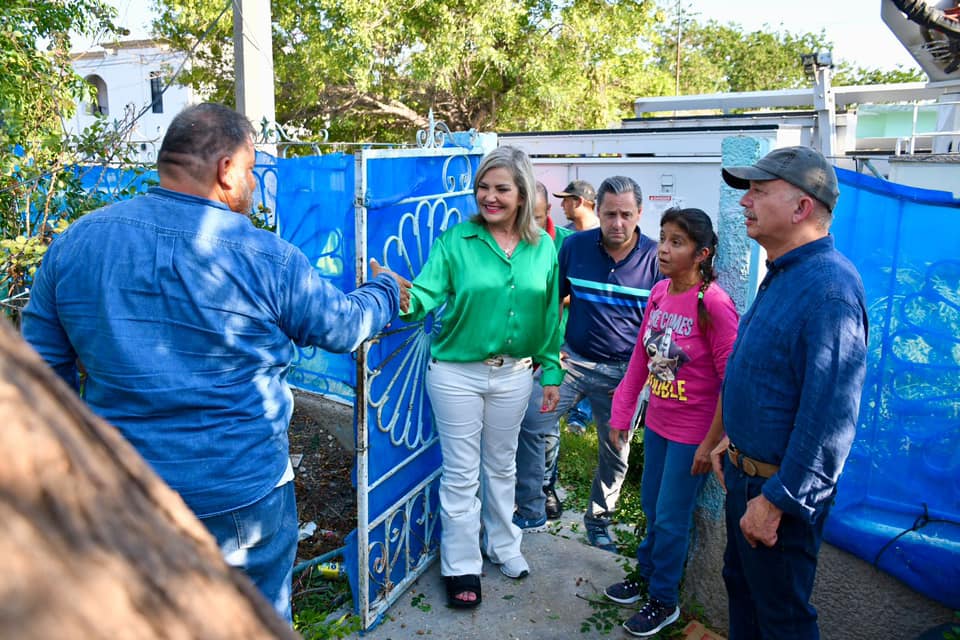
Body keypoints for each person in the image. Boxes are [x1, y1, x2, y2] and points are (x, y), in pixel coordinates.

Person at [21, 102, 410, 624]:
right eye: (251, 169)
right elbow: (341, 327)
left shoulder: (75, 244)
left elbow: (42, 386)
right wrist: (386, 289)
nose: (253, 185)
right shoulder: (267, 258)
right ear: (226, 168)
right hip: (241, 493)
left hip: (124, 493)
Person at [712, 146, 868, 639]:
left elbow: (829, 421)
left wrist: (779, 501)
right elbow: (768, 377)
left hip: (777, 494)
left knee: (782, 620)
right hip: (746, 477)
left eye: (758, 192)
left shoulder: (830, 291)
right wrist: (732, 440)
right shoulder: (784, 272)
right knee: (744, 592)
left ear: (802, 208)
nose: (744, 203)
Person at [400, 146, 563, 609]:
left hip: (514, 375)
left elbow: (549, 313)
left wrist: (550, 370)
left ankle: (503, 545)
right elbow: (427, 293)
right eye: (483, 187)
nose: (489, 197)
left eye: (501, 189)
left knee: (502, 466)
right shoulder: (458, 241)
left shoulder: (543, 246)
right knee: (460, 473)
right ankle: (461, 564)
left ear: (522, 193)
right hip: (456, 374)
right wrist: (403, 295)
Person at [603, 207, 739, 637]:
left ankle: (664, 599)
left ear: (701, 254)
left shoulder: (714, 304)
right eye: (662, 238)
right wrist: (621, 415)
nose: (663, 248)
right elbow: (640, 362)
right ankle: (645, 576)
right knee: (650, 508)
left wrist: (711, 442)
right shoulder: (660, 293)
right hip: (659, 424)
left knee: (670, 517)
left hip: (692, 435)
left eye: (676, 242)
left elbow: (730, 380)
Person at [513, 175, 660, 546]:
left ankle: (598, 521)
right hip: (572, 363)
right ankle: (530, 509)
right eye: (610, 214)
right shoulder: (575, 247)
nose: (617, 223)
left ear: (639, 213)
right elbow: (551, 302)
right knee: (530, 422)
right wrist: (547, 353)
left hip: (624, 374)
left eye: (626, 214)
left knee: (615, 449)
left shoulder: (655, 259)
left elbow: (661, 324)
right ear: (599, 210)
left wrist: (643, 378)